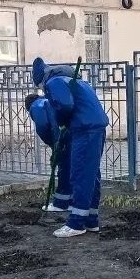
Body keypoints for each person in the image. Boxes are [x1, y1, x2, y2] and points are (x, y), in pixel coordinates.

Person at [32, 58, 110, 238]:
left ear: (41, 80)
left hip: (84, 128)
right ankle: (91, 220)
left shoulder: (54, 82)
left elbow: (65, 105)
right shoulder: (76, 81)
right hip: (94, 127)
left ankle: (76, 223)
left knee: (80, 174)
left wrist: (61, 121)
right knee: (91, 175)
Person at [25, 92, 72, 213]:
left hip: (61, 138)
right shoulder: (49, 101)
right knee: (74, 168)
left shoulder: (35, 107)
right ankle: (74, 201)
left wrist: (54, 145)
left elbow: (43, 126)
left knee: (64, 169)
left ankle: (61, 204)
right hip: (75, 133)